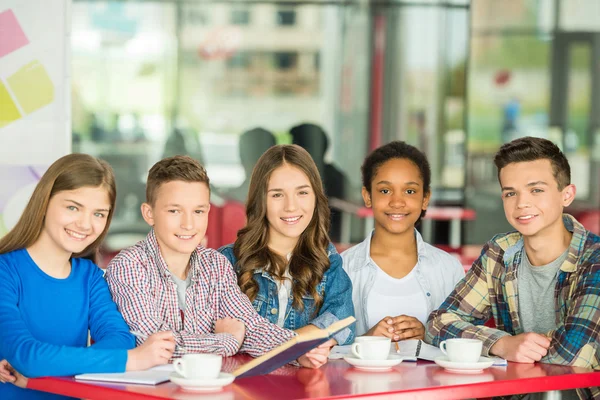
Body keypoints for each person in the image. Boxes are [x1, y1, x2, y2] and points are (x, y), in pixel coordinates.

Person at [105, 155, 330, 368]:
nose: (188, 224)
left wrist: (297, 351)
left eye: (198, 211)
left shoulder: (215, 264)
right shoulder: (129, 267)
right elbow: (157, 347)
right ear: (149, 213)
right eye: (174, 211)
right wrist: (228, 340)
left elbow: (250, 326)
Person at [427, 137, 600, 400]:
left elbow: (572, 354)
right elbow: (438, 323)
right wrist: (501, 343)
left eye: (536, 190)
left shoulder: (594, 258)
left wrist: (491, 346)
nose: (521, 203)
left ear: (567, 194)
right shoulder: (499, 252)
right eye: (510, 193)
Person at [0, 154, 174, 400]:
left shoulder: (90, 277)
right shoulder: (4, 271)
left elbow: (119, 340)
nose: (85, 224)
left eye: (99, 214)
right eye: (73, 207)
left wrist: (44, 364)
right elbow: (26, 355)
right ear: (44, 202)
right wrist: (130, 360)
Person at [219, 144, 355, 345]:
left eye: (302, 193)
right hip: (242, 377)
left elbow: (343, 323)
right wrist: (304, 343)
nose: (291, 206)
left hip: (305, 377)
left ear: (316, 197)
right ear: (260, 200)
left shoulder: (326, 260)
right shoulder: (226, 261)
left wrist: (299, 347)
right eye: (277, 194)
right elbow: (214, 329)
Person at [341, 141, 464, 339]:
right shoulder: (342, 268)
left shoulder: (449, 268)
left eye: (409, 191)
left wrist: (428, 335)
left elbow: (465, 341)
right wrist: (367, 341)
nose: (397, 202)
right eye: (384, 190)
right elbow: (324, 352)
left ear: (425, 198)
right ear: (367, 196)